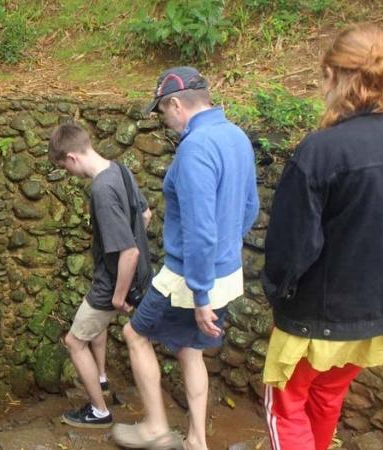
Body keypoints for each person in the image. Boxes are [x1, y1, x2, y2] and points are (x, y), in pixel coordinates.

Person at [261, 24, 383, 450]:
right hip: (380, 314)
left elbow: (292, 247)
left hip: (316, 317)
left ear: (336, 77)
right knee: (327, 396)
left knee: (284, 406)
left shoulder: (321, 150)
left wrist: (277, 293)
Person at [112, 66, 259, 450]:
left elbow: (199, 229)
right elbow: (249, 209)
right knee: (190, 349)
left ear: (176, 103)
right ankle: (196, 440)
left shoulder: (195, 148)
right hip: (227, 272)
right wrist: (222, 260)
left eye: (163, 111)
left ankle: (156, 428)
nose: (165, 120)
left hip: (188, 276)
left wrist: (200, 294)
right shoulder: (236, 136)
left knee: (135, 334)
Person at [48, 123, 153, 428]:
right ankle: (102, 378)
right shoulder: (120, 170)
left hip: (112, 285)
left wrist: (119, 295)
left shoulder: (101, 189)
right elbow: (144, 215)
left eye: (63, 166)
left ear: (72, 158)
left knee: (74, 341)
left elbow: (128, 252)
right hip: (137, 276)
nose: (67, 173)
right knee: (100, 328)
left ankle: (99, 411)